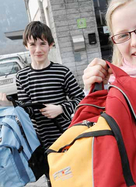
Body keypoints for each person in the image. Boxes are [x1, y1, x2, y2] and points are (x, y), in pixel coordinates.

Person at [0, 21, 85, 149]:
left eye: (42, 44)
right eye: (33, 44)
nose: (38, 49)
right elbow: (28, 110)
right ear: (26, 46)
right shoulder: (22, 76)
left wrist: (60, 108)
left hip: (67, 136)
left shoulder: (62, 71)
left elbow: (82, 100)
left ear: (50, 45)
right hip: (40, 140)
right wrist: (12, 105)